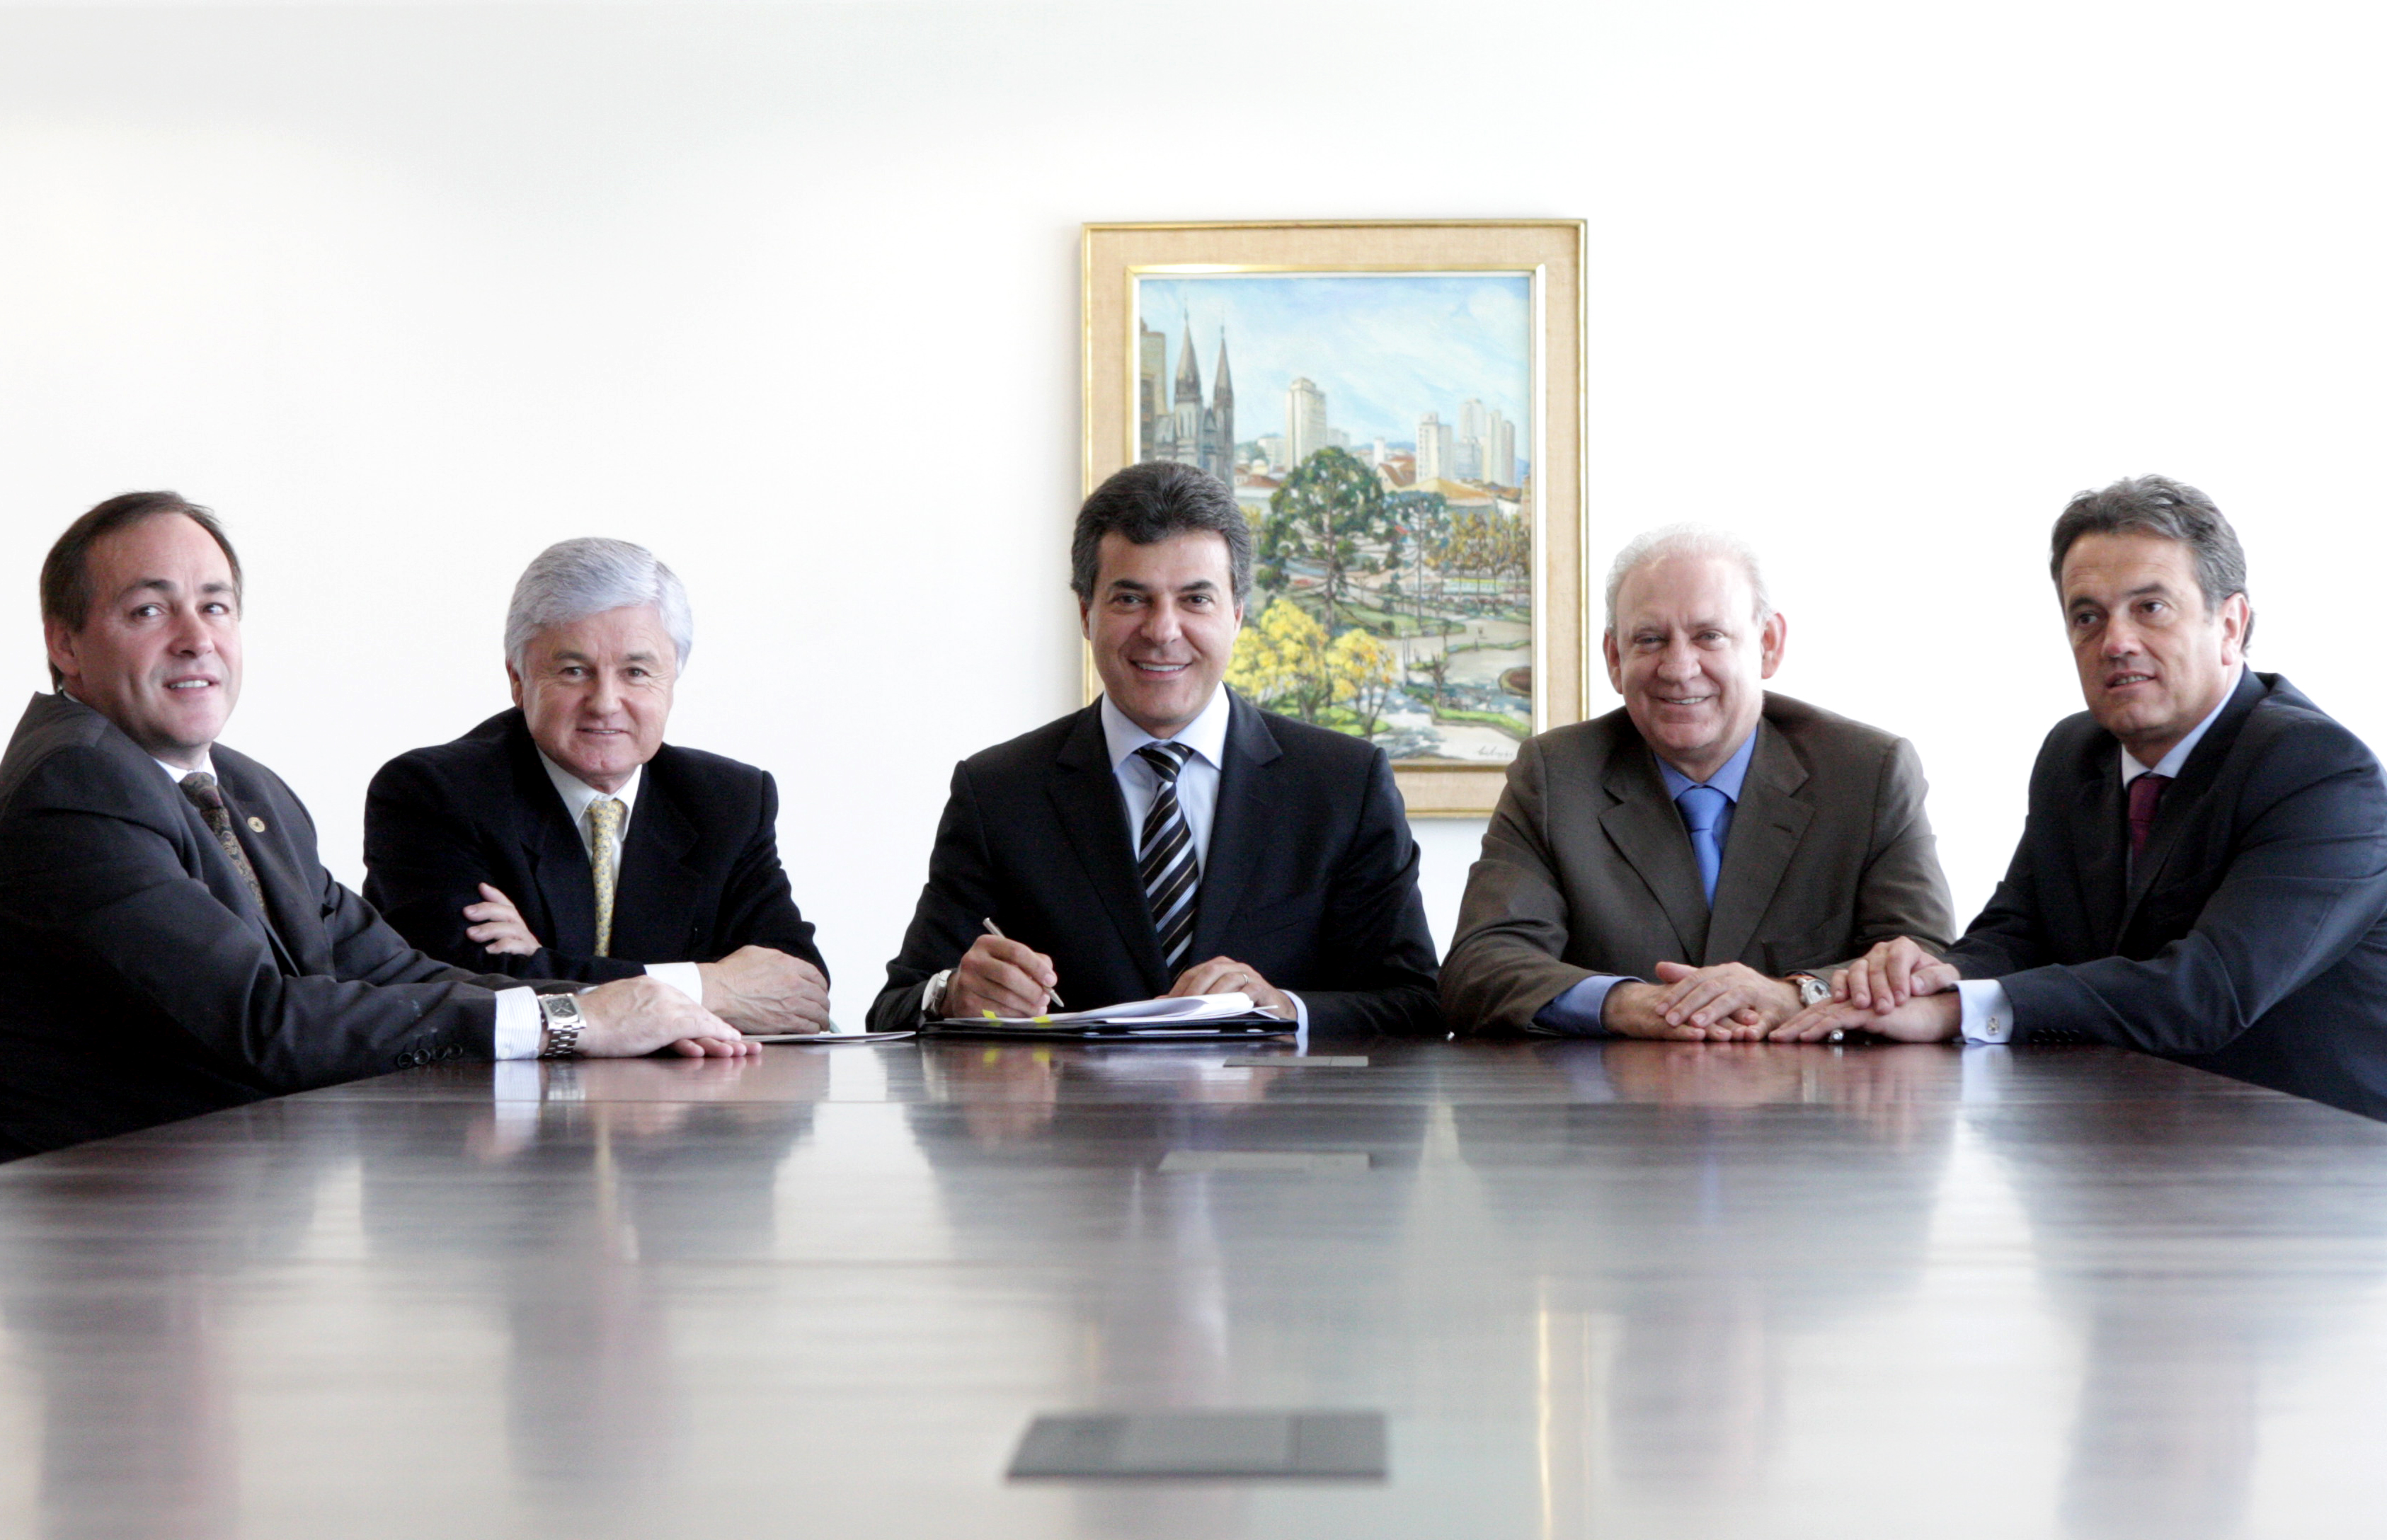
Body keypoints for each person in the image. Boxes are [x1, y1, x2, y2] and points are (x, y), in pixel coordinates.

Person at [0, 493, 755, 1160]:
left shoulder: (245, 787)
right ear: (65, 642)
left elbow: (396, 972)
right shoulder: (76, 782)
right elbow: (261, 1020)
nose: (197, 638)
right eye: (149, 610)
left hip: (234, 1200)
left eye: (216, 606)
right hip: (108, 1223)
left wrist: (632, 1012)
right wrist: (571, 1020)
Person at [1773, 476, 2387, 1121]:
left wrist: (1958, 1009)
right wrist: (1930, 976)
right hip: (2121, 1132)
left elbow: (2209, 991)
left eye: (2150, 608)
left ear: (2230, 624)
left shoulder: (2319, 771)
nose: (2116, 642)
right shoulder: (2076, 752)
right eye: (2088, 616)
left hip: (2307, 1152)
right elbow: (2017, 934)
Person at [866, 461, 1440, 1035]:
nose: (1163, 631)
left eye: (1196, 600)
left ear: (1237, 614)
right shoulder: (998, 792)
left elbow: (1418, 1005)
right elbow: (893, 1010)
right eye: (1130, 599)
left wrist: (1283, 1008)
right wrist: (950, 994)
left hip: (1273, 1097)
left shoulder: (1344, 784)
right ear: (1086, 614)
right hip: (1068, 1098)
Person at [1441, 524, 1955, 1039]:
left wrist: (1794, 995)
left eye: (1709, 636)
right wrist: (1631, 1004)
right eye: (1650, 639)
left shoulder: (1867, 774)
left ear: (1768, 645)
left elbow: (1927, 962)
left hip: (1816, 1087)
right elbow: (1479, 967)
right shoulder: (1556, 776)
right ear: (1615, 659)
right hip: (1617, 1088)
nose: (1678, 668)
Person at [363, 538, 830, 1035]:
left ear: (673, 678)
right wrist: (709, 988)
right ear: (518, 679)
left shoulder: (728, 801)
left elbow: (798, 989)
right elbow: (461, 988)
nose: (606, 702)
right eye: (574, 671)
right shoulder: (436, 793)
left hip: (696, 1083)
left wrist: (541, 962)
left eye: (636, 672)